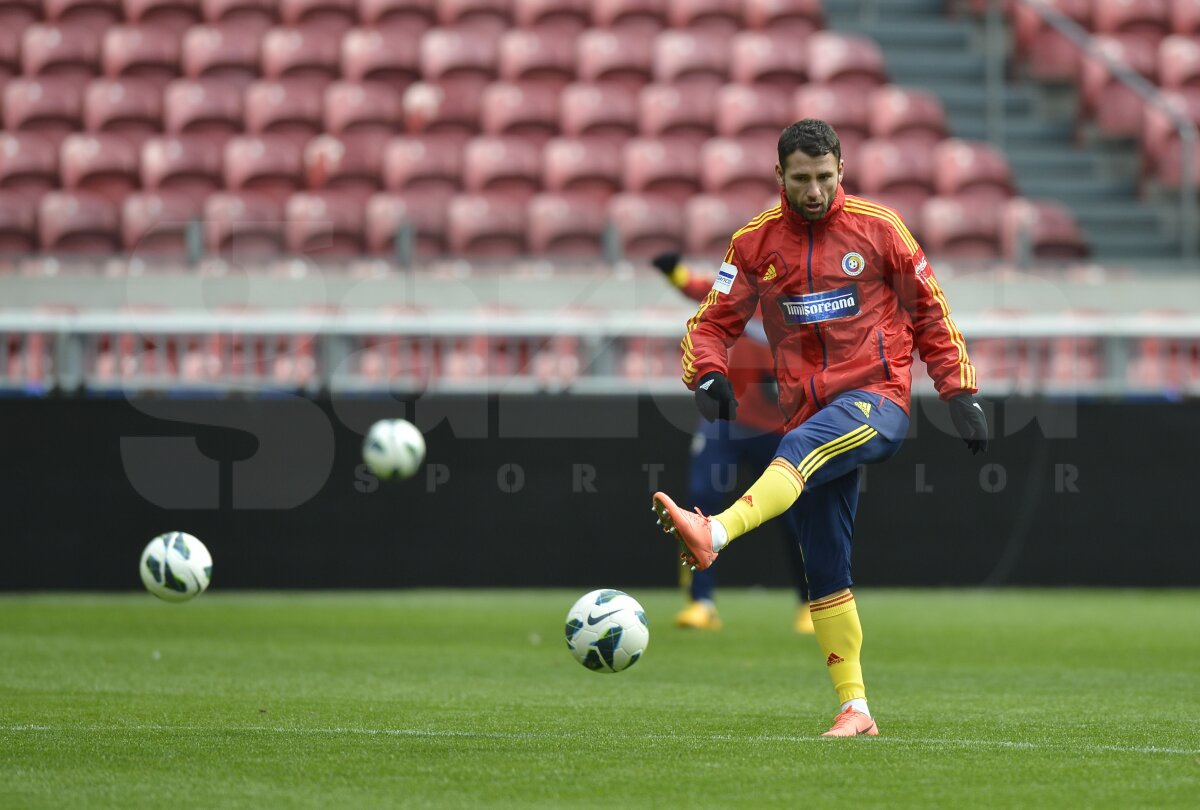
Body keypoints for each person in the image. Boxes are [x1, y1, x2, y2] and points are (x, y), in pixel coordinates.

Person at [650, 119, 988, 738]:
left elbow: (931, 312)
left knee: (797, 447)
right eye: (801, 178)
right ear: (779, 175)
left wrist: (958, 390)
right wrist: (708, 373)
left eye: (824, 177)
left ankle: (714, 531)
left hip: (876, 401)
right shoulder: (754, 244)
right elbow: (712, 322)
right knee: (826, 568)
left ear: (841, 171)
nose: (814, 190)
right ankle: (856, 707)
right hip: (808, 415)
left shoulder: (880, 229)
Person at [651, 251, 814, 634]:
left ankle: (811, 603)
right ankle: (701, 603)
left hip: (783, 428)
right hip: (729, 420)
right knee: (700, 499)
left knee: (796, 517)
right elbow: (701, 289)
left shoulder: (811, 305)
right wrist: (674, 272)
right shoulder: (744, 291)